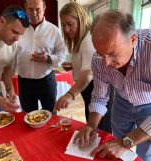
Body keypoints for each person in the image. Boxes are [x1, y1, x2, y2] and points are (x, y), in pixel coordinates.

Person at [75, 10, 151, 161]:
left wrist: (125, 143)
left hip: (149, 104)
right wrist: (91, 125)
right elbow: (99, 97)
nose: (106, 63)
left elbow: (125, 142)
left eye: (113, 54)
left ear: (133, 40)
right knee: (116, 143)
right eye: (100, 53)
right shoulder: (99, 60)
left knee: (147, 151)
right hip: (121, 102)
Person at [54, 2, 113, 133]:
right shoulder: (81, 39)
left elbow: (88, 73)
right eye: (63, 25)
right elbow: (86, 65)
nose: (66, 29)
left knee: (100, 130)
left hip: (97, 90)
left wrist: (70, 94)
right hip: (90, 90)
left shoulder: (88, 40)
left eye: (70, 24)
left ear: (80, 20)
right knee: (93, 127)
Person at [16, 0, 65, 113]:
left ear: (44, 8)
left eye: (37, 9)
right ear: (25, 7)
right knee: (28, 117)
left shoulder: (53, 30)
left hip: (46, 81)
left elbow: (61, 55)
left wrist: (47, 59)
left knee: (51, 116)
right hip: (24, 83)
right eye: (30, 9)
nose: (33, 13)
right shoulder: (18, 28)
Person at [0, 6, 29, 114]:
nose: (17, 38)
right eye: (15, 32)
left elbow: (6, 69)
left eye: (20, 34)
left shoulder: (12, 43)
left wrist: (10, 90)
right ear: (2, 21)